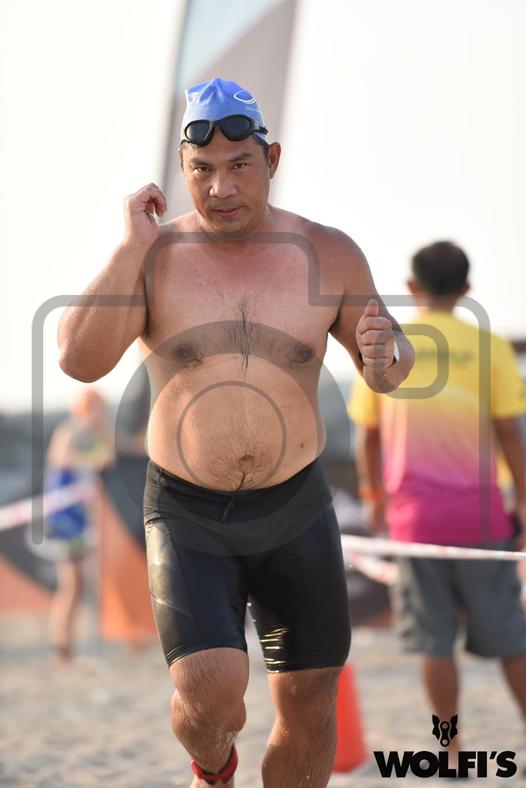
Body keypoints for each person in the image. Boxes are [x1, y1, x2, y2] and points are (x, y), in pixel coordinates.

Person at [57, 77, 414, 787]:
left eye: (239, 165)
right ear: (181, 169)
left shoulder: (329, 253)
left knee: (310, 701)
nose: (220, 188)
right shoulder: (154, 257)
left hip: (295, 505)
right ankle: (212, 768)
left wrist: (388, 356)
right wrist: (130, 247)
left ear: (271, 159)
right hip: (188, 510)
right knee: (212, 695)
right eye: (202, 170)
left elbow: (389, 367)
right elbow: (78, 360)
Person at [349, 240, 526, 767]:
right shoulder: (491, 347)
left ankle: (449, 751)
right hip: (482, 517)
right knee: (511, 638)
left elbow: (367, 436)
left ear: (411, 286)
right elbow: (510, 434)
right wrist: (523, 499)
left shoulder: (389, 347)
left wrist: (372, 495)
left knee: (433, 642)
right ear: (467, 288)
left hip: (414, 521)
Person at [45, 387, 113, 664]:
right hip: (64, 519)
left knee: (85, 585)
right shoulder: (69, 431)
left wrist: (103, 431)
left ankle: (73, 645)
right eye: (97, 409)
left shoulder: (95, 436)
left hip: (83, 519)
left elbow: (109, 457)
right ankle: (62, 646)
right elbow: (62, 459)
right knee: (71, 585)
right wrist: (92, 456)